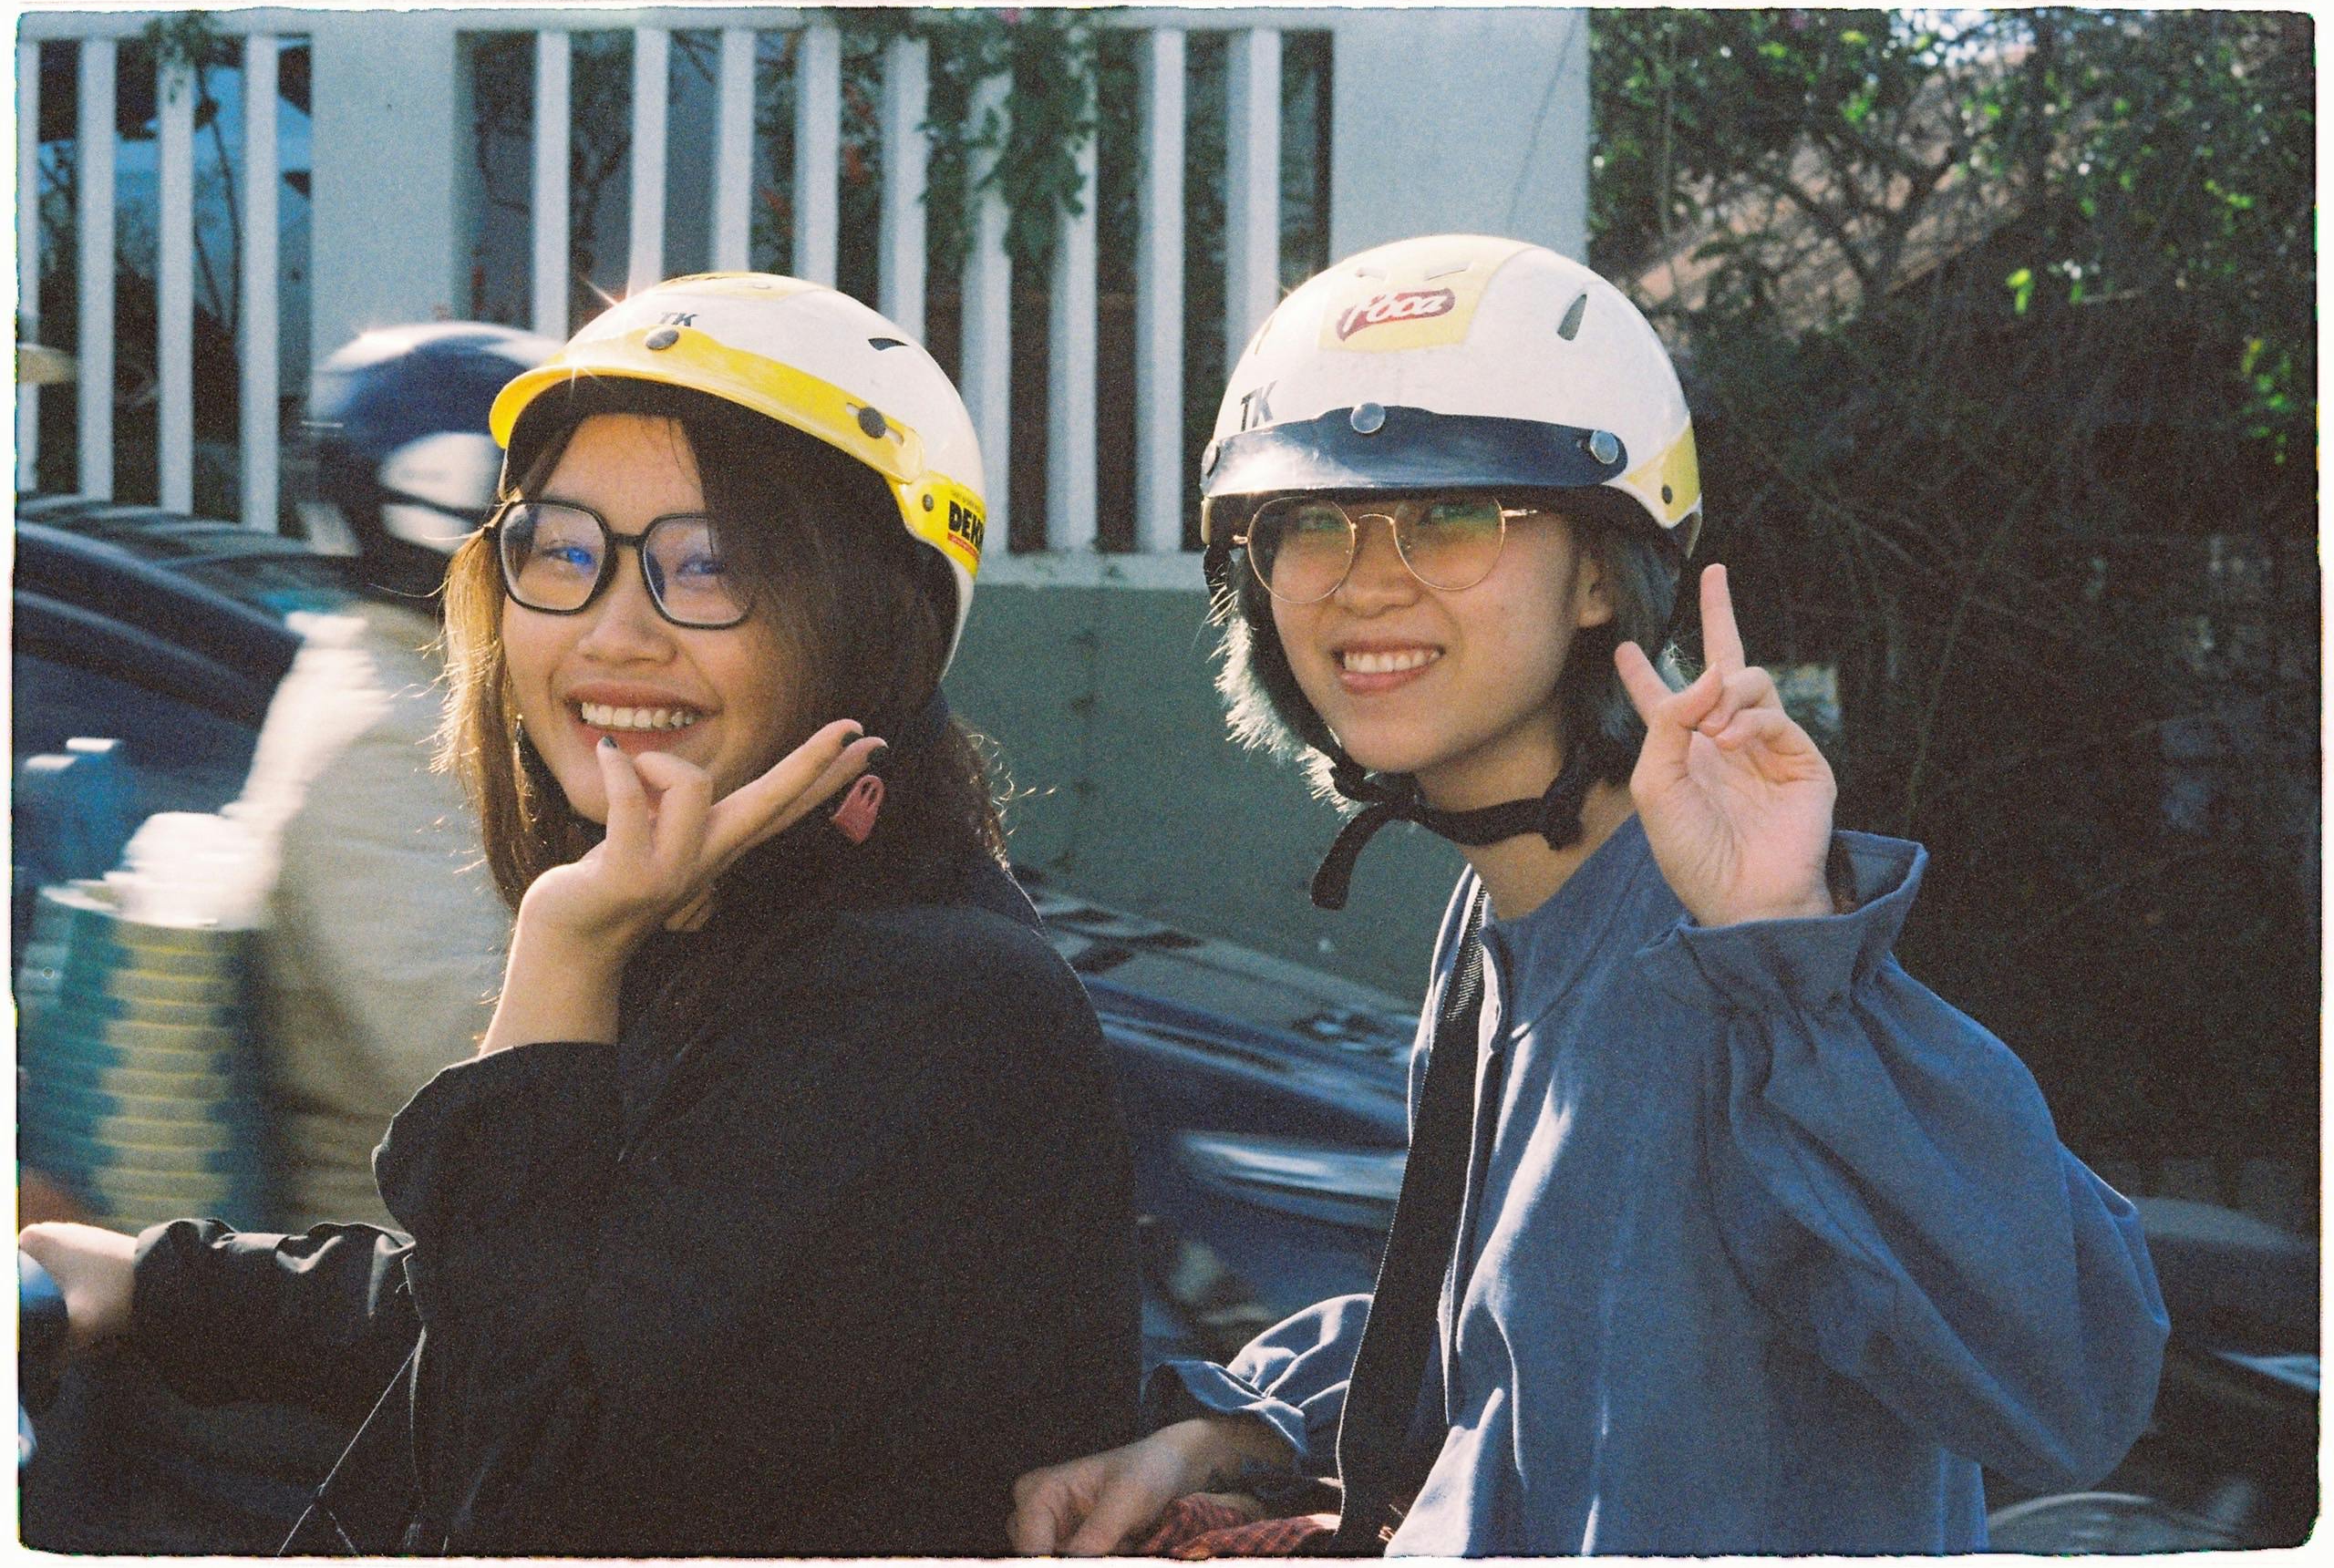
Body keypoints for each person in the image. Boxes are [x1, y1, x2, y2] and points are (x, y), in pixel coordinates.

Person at [1007, 234, 2168, 1556]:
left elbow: (2072, 1378)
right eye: (1311, 523)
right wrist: (1243, 1426)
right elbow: (1523, 1340)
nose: (1366, 578)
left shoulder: (1727, 949)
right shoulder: (1512, 918)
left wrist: (1788, 960)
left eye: (1454, 515)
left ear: (1605, 574)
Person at [21, 273, 1141, 1557]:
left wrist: (563, 955)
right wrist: (159, 1283)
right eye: (561, 551)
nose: (613, 633)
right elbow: (539, 1303)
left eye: (709, 564)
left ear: (872, 622)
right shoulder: (741, 922)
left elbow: (517, 1475)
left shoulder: (916, 1003)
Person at [263, 320, 552, 1233]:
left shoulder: (436, 690)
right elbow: (480, 1077)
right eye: (557, 519)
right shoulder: (378, 741)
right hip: (406, 1300)